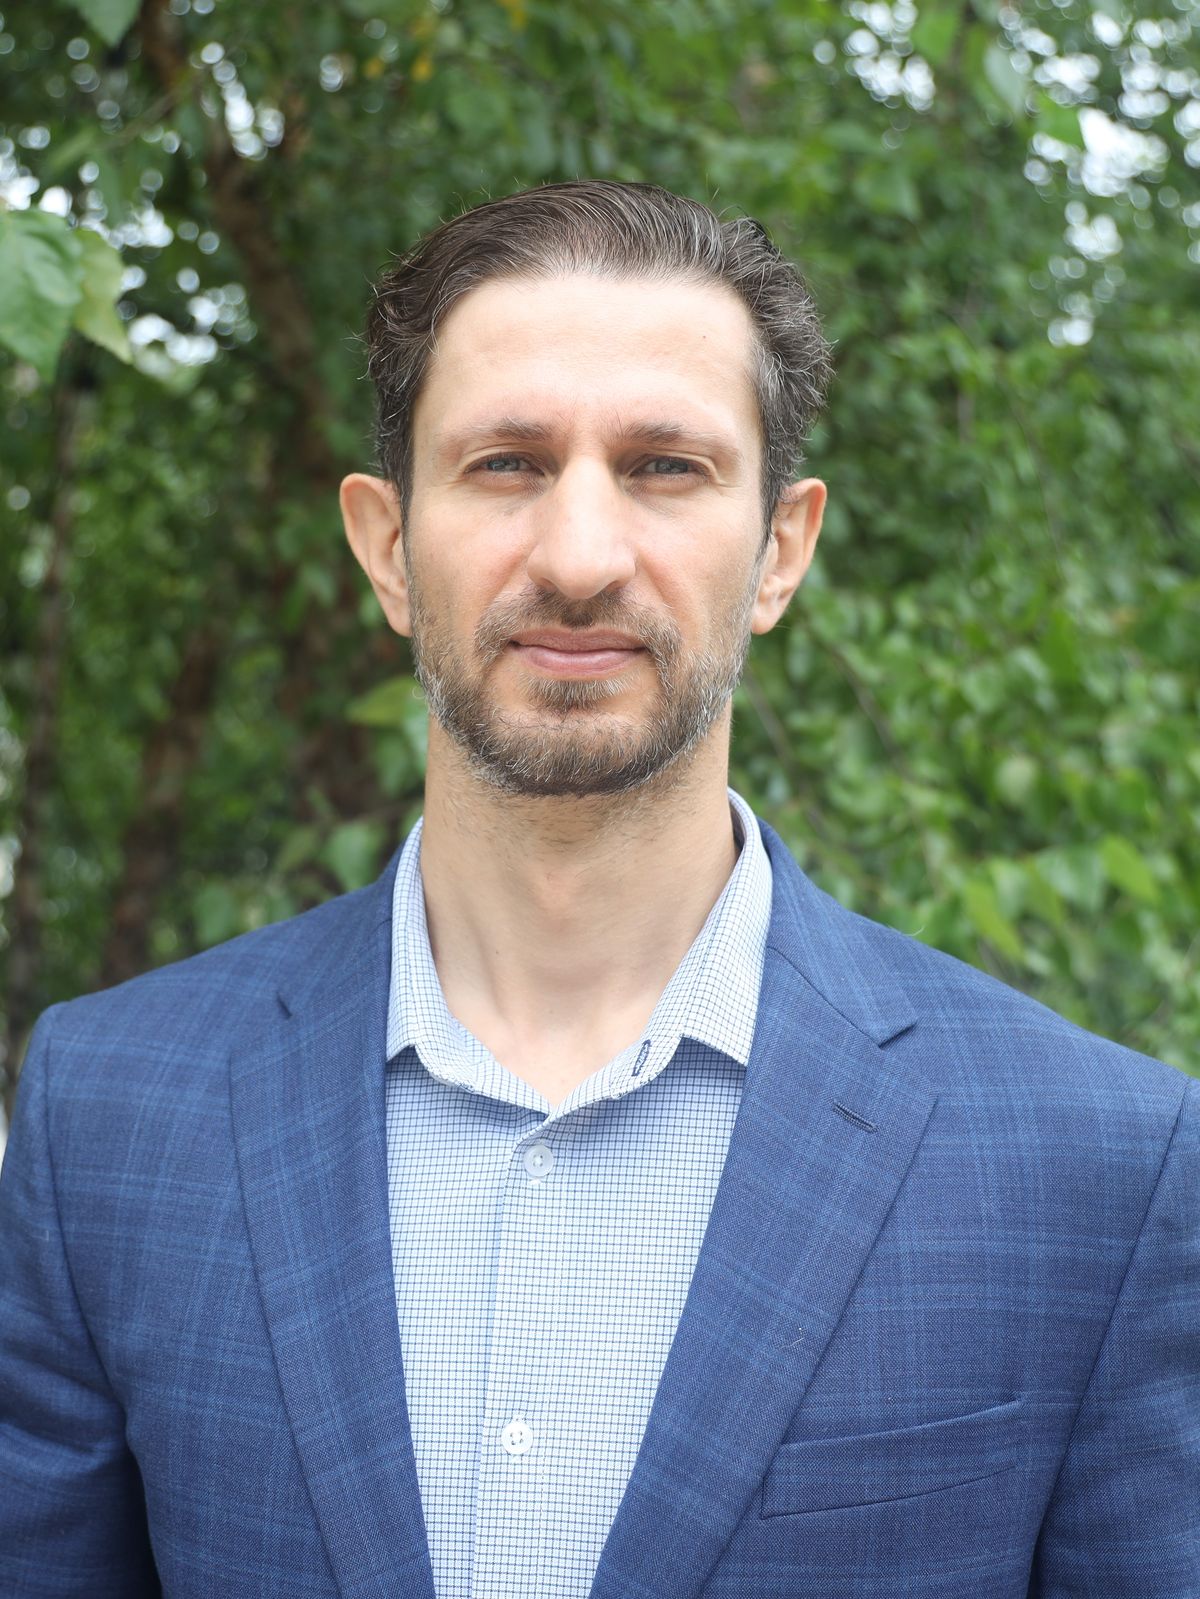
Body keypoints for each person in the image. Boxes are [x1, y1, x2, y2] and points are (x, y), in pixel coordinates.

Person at [0, 180, 1195, 1599]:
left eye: (665, 467)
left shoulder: (1102, 1166)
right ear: (388, 547)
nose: (578, 557)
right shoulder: (110, 1116)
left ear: (782, 550)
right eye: (505, 463)